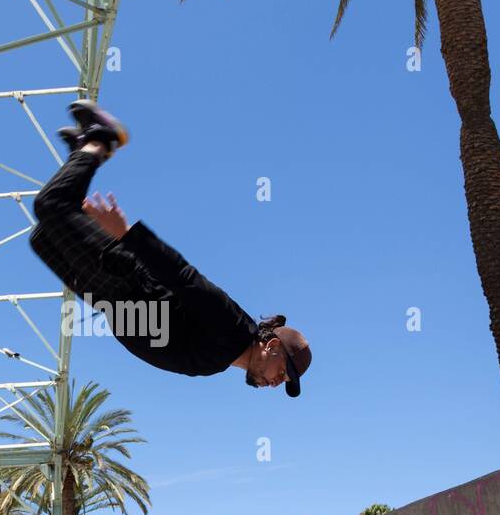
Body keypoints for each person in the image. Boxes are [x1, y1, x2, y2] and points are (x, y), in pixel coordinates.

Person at [28, 101, 312, 396]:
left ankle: (83, 149)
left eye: (284, 383)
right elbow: (184, 277)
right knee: (51, 205)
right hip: (122, 278)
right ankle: (100, 140)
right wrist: (127, 236)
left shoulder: (220, 360)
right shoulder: (234, 329)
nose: (278, 382)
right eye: (283, 372)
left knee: (42, 239)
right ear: (273, 345)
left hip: (108, 300)